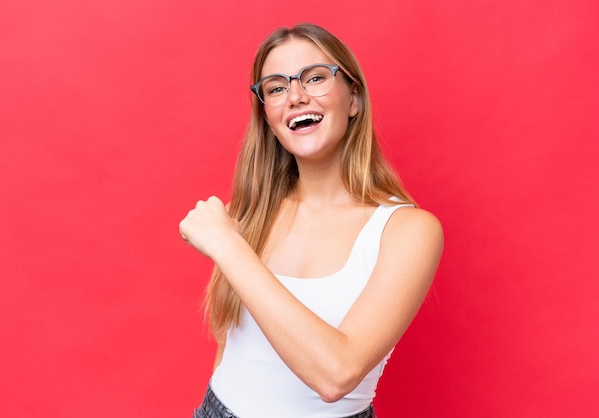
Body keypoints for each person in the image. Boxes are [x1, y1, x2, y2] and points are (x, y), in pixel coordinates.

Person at [179, 23, 443, 418]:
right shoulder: (252, 212)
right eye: (276, 88)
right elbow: (230, 343)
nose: (296, 97)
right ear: (268, 118)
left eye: (315, 77)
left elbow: (336, 375)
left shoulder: (407, 231)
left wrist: (228, 246)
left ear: (353, 98)